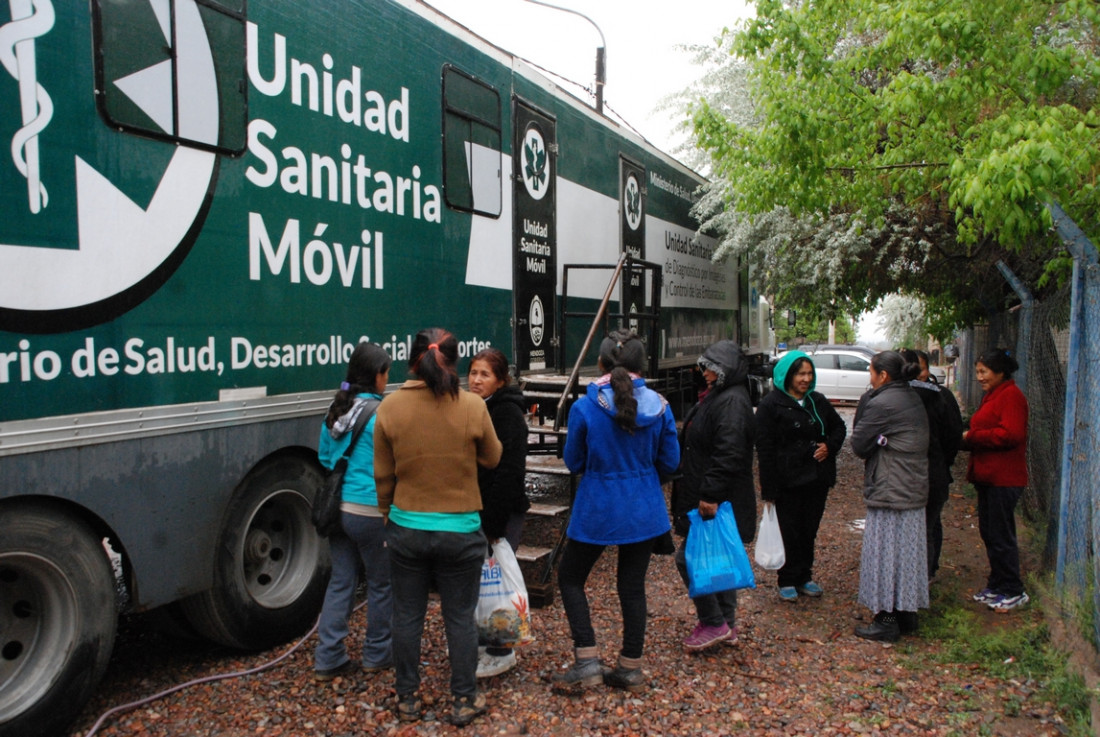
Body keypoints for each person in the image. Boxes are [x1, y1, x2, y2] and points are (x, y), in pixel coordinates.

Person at [374, 328, 503, 727]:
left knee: (407, 616)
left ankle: (408, 699)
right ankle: (464, 700)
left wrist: (388, 515)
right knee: (460, 618)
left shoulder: (390, 407)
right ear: (455, 361)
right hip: (461, 530)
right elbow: (493, 458)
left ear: (412, 359)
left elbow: (383, 475)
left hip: (406, 528)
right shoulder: (472, 406)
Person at [553, 330, 679, 694]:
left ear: (602, 364)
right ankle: (630, 668)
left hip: (598, 508)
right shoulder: (660, 405)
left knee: (571, 578)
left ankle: (587, 661)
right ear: (643, 365)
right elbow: (670, 461)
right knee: (632, 586)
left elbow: (574, 461)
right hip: (644, 510)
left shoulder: (585, 407)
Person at [671, 339, 759, 651]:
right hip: (719, 497)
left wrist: (710, 494)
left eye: (709, 367)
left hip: (719, 499)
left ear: (724, 371)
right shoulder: (723, 396)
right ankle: (728, 626)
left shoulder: (731, 402)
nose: (702, 372)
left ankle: (714, 622)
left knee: (689, 558)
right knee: (719, 560)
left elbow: (729, 453)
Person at [313, 342, 393, 680]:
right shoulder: (382, 414)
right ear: (376, 375)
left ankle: (328, 657)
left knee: (341, 581)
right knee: (381, 584)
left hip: (339, 511)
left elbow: (325, 458)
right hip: (371, 511)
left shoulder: (337, 409)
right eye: (386, 373)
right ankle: (377, 653)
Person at [755, 349, 847, 602]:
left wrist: (830, 446)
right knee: (789, 531)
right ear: (787, 375)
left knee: (809, 529)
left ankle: (805, 576)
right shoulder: (770, 405)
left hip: (816, 479)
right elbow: (765, 448)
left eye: (809, 373)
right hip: (787, 481)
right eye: (800, 374)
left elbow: (839, 427)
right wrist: (769, 488)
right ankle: (787, 579)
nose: (805, 379)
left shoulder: (817, 401)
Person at [850, 350, 930, 642]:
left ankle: (885, 619)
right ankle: (907, 614)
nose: (869, 379)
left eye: (871, 373)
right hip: (912, 486)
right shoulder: (911, 396)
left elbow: (858, 444)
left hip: (890, 487)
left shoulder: (882, 402)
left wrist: (879, 441)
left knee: (885, 552)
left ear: (883, 375)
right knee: (907, 552)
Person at [467, 348, 530, 678]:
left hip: (501, 514)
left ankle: (501, 651)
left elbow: (509, 473)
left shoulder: (506, 415)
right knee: (486, 582)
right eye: (473, 372)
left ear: (501, 380)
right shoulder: (483, 408)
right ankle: (489, 644)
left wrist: (493, 523)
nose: (476, 380)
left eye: (484, 375)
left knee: (498, 583)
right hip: (484, 511)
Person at [962, 348, 1030, 611]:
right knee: (990, 533)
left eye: (983, 372)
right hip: (989, 477)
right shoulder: (993, 395)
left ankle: (1013, 589)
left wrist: (972, 437)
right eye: (977, 372)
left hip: (1004, 477)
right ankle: (997, 584)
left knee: (1001, 535)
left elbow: (1010, 434)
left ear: (1000, 372)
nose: (979, 377)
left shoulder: (1011, 396)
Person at [900, 348, 963, 580]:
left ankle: (919, 579)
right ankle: (922, 580)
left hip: (926, 475)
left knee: (926, 526)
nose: (918, 373)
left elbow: (952, 437)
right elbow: (954, 437)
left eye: (922, 368)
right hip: (934, 473)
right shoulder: (937, 396)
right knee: (927, 527)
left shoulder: (938, 397)